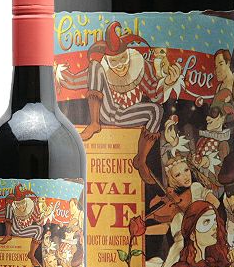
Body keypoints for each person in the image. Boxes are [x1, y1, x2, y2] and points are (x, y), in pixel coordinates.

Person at [56, 21, 182, 184]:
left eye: (123, 58)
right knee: (94, 66)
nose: (121, 65)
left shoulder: (140, 66)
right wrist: (57, 71)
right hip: (107, 111)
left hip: (128, 114)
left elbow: (154, 94)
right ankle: (94, 123)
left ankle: (141, 160)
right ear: (108, 61)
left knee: (157, 110)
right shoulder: (101, 69)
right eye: (114, 61)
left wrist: (168, 83)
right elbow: (74, 82)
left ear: (128, 54)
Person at [0, 184, 44, 267]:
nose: (21, 206)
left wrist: (42, 214)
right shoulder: (12, 208)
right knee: (9, 207)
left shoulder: (31, 209)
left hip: (25, 231)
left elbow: (39, 221)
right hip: (14, 230)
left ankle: (31, 254)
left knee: (39, 229)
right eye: (18, 204)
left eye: (22, 203)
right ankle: (8, 235)